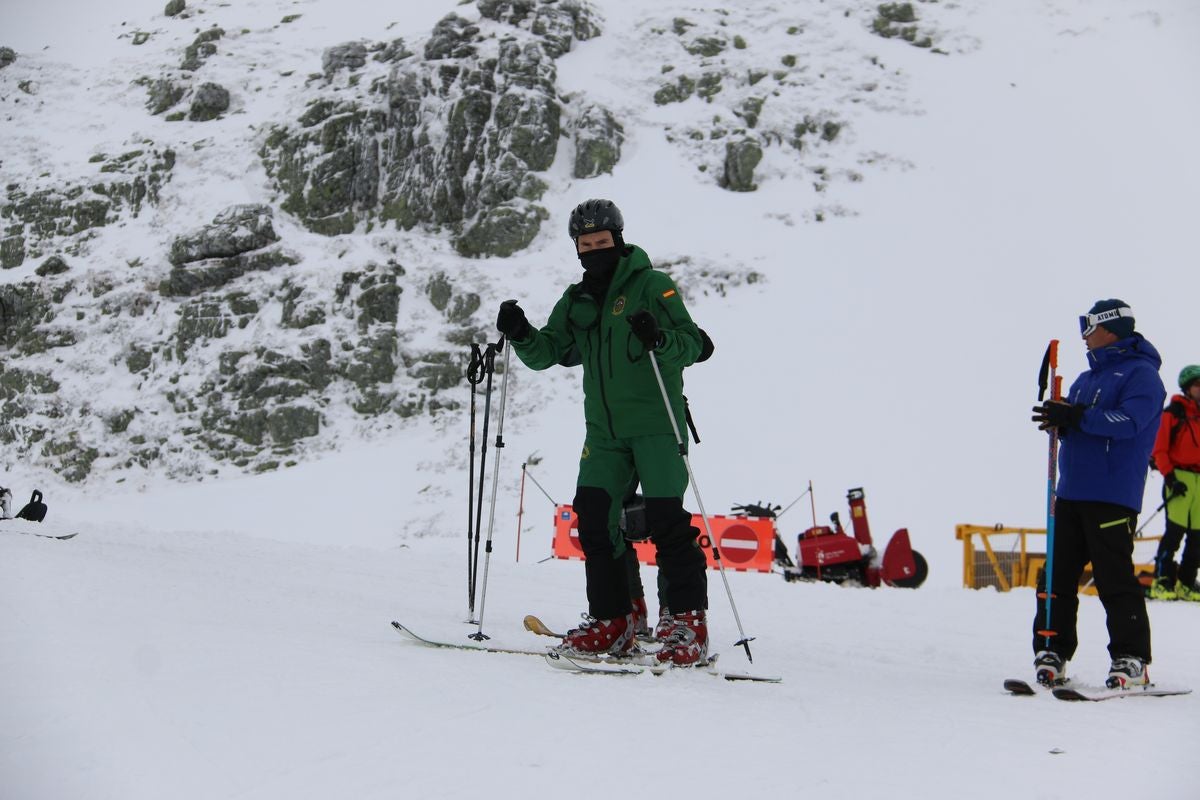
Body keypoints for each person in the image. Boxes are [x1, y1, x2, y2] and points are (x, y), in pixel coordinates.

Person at [495, 198, 710, 666]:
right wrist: (521, 333)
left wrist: (659, 337)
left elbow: (695, 345)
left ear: (618, 239)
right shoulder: (577, 299)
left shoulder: (654, 285)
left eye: (602, 242)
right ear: (577, 247)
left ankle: (687, 622)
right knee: (593, 519)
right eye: (586, 244)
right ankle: (616, 619)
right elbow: (547, 352)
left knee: (668, 523)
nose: (595, 250)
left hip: (657, 424)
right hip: (605, 433)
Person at [1030, 299, 1165, 689]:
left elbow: (1129, 424)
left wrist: (1078, 418)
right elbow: (1081, 424)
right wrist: (1061, 420)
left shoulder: (1142, 376)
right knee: (1055, 574)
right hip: (1071, 490)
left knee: (1113, 577)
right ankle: (1051, 648)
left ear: (1110, 328)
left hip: (1111, 494)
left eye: (1088, 326)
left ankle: (1131, 656)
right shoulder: (1085, 380)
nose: (1084, 334)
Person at [1148, 365, 1200, 601]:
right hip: (1179, 478)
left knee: (1198, 536)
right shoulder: (1173, 413)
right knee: (1175, 532)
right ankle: (1163, 579)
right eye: (1198, 384)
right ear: (1188, 388)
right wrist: (1170, 477)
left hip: (1199, 482)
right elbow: (1159, 449)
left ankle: (1187, 583)